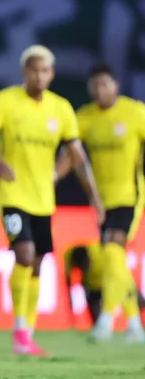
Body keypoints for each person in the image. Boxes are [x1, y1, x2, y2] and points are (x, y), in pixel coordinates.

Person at [0, 45, 104, 356]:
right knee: (24, 254)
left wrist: (92, 195)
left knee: (39, 263)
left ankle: (27, 333)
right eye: (33, 70)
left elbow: (77, 156)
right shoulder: (6, 101)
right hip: (13, 195)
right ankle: (19, 330)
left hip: (43, 199)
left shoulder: (61, 108)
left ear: (52, 74)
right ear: (24, 72)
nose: (39, 76)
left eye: (45, 71)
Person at [55, 63, 145, 342]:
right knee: (113, 257)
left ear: (116, 85)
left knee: (113, 250)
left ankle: (106, 319)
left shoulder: (135, 113)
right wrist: (53, 176)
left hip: (130, 195)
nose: (100, 90)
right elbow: (72, 155)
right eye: (95, 85)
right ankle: (134, 324)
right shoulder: (85, 118)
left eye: (105, 84)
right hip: (101, 200)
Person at [64, 242, 145, 329]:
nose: (85, 269)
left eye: (85, 265)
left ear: (88, 258)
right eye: (81, 267)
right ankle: (102, 329)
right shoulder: (69, 257)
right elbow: (69, 284)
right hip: (93, 287)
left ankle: (138, 325)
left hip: (111, 282)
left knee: (138, 301)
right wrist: (71, 314)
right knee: (98, 320)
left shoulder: (101, 254)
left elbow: (119, 274)